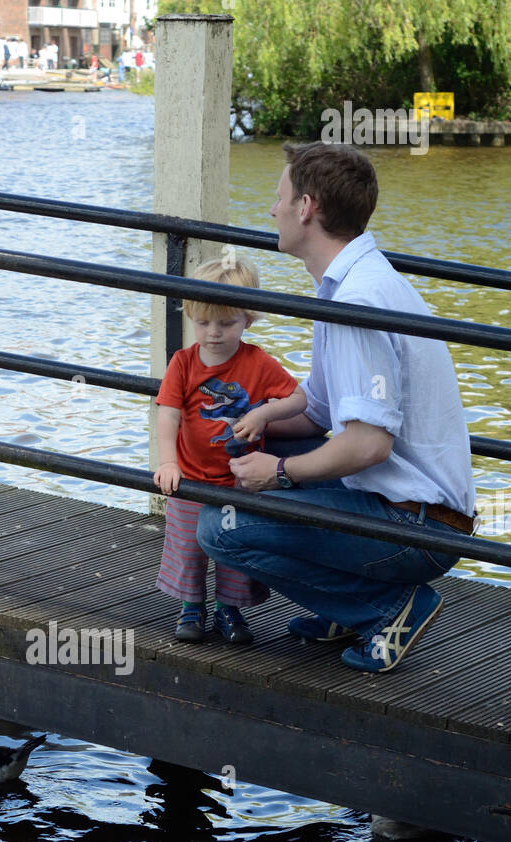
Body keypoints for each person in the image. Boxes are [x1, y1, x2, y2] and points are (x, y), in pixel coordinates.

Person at [196, 142, 476, 672]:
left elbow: (369, 443)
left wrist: (278, 473)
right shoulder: (352, 283)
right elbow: (321, 413)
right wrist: (257, 419)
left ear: (306, 208)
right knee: (277, 447)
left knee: (220, 527)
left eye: (279, 198)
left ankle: (386, 608)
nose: (271, 210)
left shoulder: (357, 301)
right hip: (402, 506)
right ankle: (345, 607)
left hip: (416, 527)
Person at [154, 253, 307, 645]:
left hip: (241, 480)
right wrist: (168, 462)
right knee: (188, 545)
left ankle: (229, 608)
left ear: (248, 320)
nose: (213, 333)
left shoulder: (257, 363)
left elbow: (299, 399)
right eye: (203, 322)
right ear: (190, 316)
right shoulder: (183, 363)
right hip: (191, 477)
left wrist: (265, 413)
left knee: (235, 549)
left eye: (226, 322)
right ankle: (191, 605)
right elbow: (168, 415)